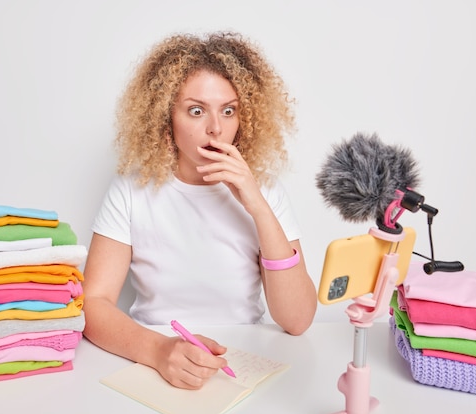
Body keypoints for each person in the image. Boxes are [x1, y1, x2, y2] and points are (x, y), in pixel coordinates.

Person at [82, 31, 317, 390]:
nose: (216, 128)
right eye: (196, 111)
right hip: (152, 360)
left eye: (229, 111)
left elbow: (297, 320)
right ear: (166, 118)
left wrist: (258, 207)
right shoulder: (132, 190)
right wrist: (158, 351)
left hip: (243, 362)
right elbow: (93, 303)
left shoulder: (265, 191)